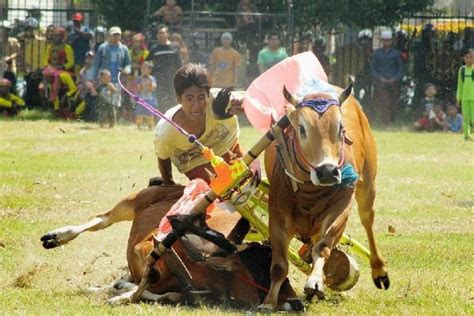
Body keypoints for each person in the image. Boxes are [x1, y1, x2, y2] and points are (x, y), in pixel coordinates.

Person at [154, 63, 245, 185]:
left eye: (201, 97)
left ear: (209, 95)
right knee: (218, 192)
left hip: (230, 150)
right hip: (197, 164)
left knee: (249, 182)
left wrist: (243, 104)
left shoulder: (220, 101)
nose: (196, 106)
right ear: (178, 99)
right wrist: (169, 184)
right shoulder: (166, 131)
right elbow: (163, 158)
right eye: (189, 99)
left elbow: (242, 98)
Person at [87, 26, 131, 112]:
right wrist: (90, 78)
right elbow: (96, 64)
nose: (116, 37)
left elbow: (128, 64)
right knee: (104, 101)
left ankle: (113, 121)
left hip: (118, 80)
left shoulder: (124, 49)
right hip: (105, 81)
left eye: (118, 35)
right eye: (114, 35)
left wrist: (127, 70)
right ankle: (104, 121)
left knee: (115, 103)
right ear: (109, 36)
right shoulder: (102, 48)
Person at [370, 30, 404, 125]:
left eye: (388, 40)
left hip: (393, 82)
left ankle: (393, 121)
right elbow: (373, 69)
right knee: (384, 103)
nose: (386, 42)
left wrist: (395, 78)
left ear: (391, 41)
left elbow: (400, 68)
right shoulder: (377, 53)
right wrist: (380, 78)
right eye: (384, 40)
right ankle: (386, 122)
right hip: (381, 83)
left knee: (394, 102)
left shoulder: (396, 54)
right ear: (382, 41)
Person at [42, 27, 78, 113]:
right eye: (54, 35)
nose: (54, 37)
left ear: (62, 37)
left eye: (57, 36)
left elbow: (71, 62)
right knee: (49, 84)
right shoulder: (50, 48)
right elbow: (45, 60)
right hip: (51, 70)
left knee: (71, 85)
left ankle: (67, 96)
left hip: (63, 70)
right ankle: (56, 108)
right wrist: (48, 68)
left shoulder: (67, 48)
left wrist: (63, 67)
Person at [146, 25, 181, 112]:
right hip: (159, 79)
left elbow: (179, 64)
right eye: (159, 33)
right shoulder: (154, 49)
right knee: (161, 100)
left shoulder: (175, 47)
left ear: (167, 34)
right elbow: (147, 63)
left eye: (163, 33)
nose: (161, 35)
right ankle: (161, 119)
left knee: (173, 99)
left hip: (172, 78)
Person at [456, 48, 474, 141]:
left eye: (471, 57)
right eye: (467, 58)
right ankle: (466, 135)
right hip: (464, 98)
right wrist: (458, 98)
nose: (469, 60)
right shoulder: (462, 70)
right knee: (466, 118)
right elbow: (460, 85)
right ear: (464, 58)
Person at [134, 61, 157, 130]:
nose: (143, 69)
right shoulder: (139, 78)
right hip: (141, 99)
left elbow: (152, 88)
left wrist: (150, 84)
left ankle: (150, 127)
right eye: (142, 68)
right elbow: (138, 89)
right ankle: (138, 126)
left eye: (145, 68)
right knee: (139, 114)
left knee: (150, 115)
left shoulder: (152, 78)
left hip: (150, 99)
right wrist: (141, 86)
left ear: (150, 70)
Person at [77, 51, 96, 121]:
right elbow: (78, 83)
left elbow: (99, 82)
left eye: (92, 58)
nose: (90, 60)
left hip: (94, 94)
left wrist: (93, 86)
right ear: (85, 59)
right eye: (88, 58)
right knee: (77, 111)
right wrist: (81, 87)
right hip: (83, 94)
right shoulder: (82, 71)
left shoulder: (97, 70)